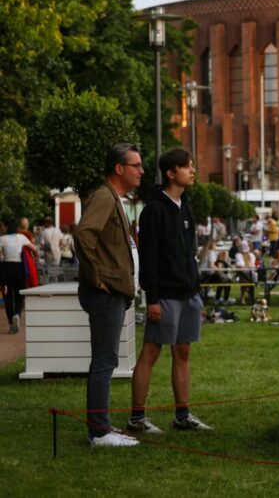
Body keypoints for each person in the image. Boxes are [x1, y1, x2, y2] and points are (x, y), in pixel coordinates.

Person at [129, 148, 212, 435]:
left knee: (183, 352)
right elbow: (148, 258)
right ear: (171, 173)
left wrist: (194, 287)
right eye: (187, 167)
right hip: (163, 296)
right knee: (151, 353)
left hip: (188, 293)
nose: (193, 170)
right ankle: (136, 419)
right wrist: (152, 299)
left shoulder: (185, 206)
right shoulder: (153, 210)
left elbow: (187, 252)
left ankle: (182, 415)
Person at [74, 142, 143, 447]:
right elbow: (84, 234)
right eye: (136, 165)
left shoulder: (114, 198)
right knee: (104, 360)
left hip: (115, 291)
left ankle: (102, 426)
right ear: (119, 168)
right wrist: (96, 276)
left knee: (106, 359)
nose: (141, 171)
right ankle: (99, 432)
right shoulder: (104, 196)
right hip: (105, 293)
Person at [1, 218, 36, 333]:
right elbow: (34, 248)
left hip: (6, 269)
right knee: (19, 295)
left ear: (6, 227)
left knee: (8, 297)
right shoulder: (21, 238)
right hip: (19, 269)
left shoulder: (2, 239)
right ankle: (17, 314)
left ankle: (11, 323)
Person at [39, 216, 63, 282]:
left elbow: (41, 245)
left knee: (49, 272)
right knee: (55, 272)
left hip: (48, 253)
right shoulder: (58, 230)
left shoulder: (43, 232)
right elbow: (61, 243)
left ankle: (50, 285)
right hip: (57, 253)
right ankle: (56, 285)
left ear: (46, 223)